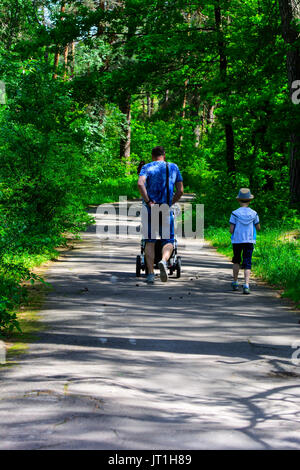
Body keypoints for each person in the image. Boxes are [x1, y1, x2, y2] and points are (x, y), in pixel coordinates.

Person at [137, 146, 184, 284]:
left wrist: (148, 201)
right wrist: (170, 202)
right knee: (168, 240)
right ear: (164, 155)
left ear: (152, 156)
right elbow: (180, 190)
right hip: (165, 208)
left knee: (149, 241)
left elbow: (140, 184)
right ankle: (163, 260)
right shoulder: (173, 167)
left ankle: (150, 274)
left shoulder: (147, 167)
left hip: (150, 208)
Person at [229, 188, 261, 294]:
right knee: (247, 262)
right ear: (250, 200)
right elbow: (258, 228)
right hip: (249, 240)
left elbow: (231, 230)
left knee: (236, 260)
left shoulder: (234, 213)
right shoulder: (254, 213)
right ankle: (246, 285)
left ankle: (235, 282)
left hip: (237, 241)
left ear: (238, 200)